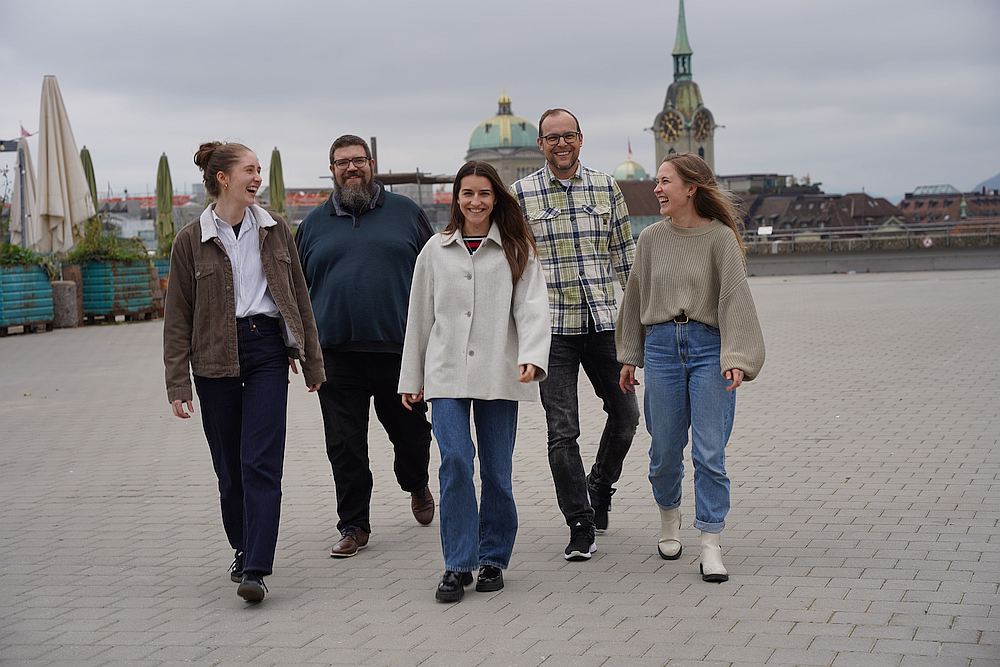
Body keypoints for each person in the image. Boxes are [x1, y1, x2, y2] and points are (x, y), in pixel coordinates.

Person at [163, 141, 325, 602]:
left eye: (259, 170)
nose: (258, 178)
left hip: (266, 351)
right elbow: (177, 317)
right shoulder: (190, 240)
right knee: (230, 470)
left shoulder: (275, 230)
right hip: (213, 358)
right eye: (249, 170)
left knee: (261, 462)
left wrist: (312, 361)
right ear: (223, 178)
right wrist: (177, 382)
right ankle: (241, 545)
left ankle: (256, 566)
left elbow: (299, 297)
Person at [399, 161, 550, 602]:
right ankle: (457, 563)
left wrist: (532, 357)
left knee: (497, 472)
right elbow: (418, 315)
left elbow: (532, 308)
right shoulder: (435, 249)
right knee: (455, 462)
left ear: (496, 197)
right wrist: (411, 376)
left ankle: (493, 558)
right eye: (467, 193)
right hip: (445, 372)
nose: (476, 201)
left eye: (484, 193)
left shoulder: (517, 248)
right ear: (457, 198)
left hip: (500, 371)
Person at [616, 152, 765, 583]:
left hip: (708, 349)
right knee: (664, 451)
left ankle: (710, 544)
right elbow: (635, 295)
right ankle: (669, 519)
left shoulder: (721, 238)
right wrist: (629, 354)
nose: (657, 189)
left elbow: (735, 298)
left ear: (691, 188)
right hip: (661, 348)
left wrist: (737, 357)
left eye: (665, 182)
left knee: (709, 452)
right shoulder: (650, 239)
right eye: (657, 181)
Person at [295, 135, 435, 559]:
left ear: (372, 164)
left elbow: (435, 274)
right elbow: (294, 291)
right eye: (342, 162)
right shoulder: (312, 225)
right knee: (344, 444)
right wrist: (296, 346)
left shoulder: (406, 213)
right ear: (332, 170)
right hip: (336, 355)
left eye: (358, 160)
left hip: (399, 351)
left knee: (412, 436)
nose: (351, 168)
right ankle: (354, 525)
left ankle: (416, 482)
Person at [510, 108, 640, 561]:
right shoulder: (521, 194)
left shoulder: (606, 187)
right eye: (552, 138)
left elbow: (626, 258)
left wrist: (642, 324)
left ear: (580, 139)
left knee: (626, 416)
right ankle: (580, 522)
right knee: (562, 432)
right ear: (541, 145)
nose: (561, 144)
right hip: (553, 332)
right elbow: (512, 264)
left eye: (568, 136)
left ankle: (599, 484)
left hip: (604, 323)